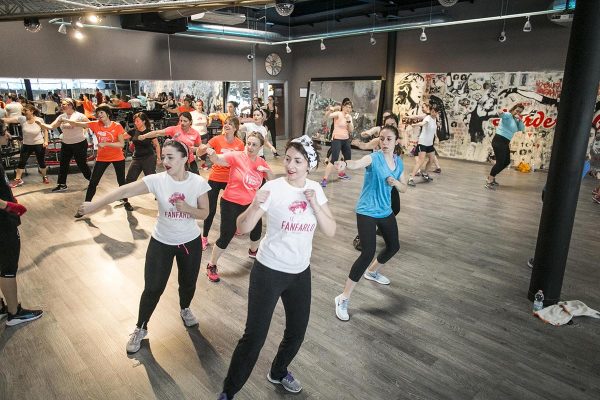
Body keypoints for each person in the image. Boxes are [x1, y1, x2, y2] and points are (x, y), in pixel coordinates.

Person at [217, 135, 335, 400]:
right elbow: (243, 228)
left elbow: (331, 230)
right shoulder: (273, 189)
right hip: (268, 271)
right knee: (254, 337)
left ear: (309, 165)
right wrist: (256, 204)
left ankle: (278, 371)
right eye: (288, 159)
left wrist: (315, 205)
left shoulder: (316, 189)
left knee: (297, 332)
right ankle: (229, 391)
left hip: (300, 273)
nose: (290, 165)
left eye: (298, 161)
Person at [77, 140, 210, 354]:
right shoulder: (157, 180)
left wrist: (187, 208)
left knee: (188, 284)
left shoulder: (197, 182)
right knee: (153, 288)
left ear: (185, 158)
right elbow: (123, 191)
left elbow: (204, 213)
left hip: (189, 243)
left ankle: (185, 308)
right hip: (161, 242)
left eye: (170, 157)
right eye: (163, 157)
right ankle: (141, 327)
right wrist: (95, 205)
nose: (164, 161)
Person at [333, 125, 407, 321]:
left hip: (385, 210)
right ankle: (343, 297)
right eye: (382, 139)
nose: (384, 142)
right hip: (366, 210)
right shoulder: (374, 158)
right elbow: (357, 163)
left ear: (396, 141)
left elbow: (404, 186)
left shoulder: (399, 163)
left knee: (393, 246)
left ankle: (372, 272)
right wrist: (344, 165)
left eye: (389, 139)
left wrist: (396, 183)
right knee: (367, 252)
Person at [203, 132, 274, 283]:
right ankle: (211, 264)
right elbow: (218, 160)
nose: (250, 147)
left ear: (261, 147)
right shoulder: (236, 156)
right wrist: (212, 154)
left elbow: (272, 182)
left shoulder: (261, 162)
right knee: (226, 235)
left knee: (256, 231)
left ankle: (253, 251)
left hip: (250, 204)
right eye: (248, 143)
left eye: (254, 144)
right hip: (230, 202)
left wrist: (267, 172)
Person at [350, 114, 403, 251]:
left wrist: (397, 180)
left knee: (395, 207)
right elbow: (365, 147)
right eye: (388, 123)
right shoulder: (380, 141)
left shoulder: (397, 141)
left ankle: (382, 227)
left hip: (391, 179)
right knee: (372, 211)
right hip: (377, 177)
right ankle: (362, 236)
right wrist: (358, 143)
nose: (390, 125)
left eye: (393, 123)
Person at [0, 163, 43, 326]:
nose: (10, 135)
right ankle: (14, 313)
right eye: (7, 134)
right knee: (8, 267)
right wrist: (7, 205)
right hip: (3, 221)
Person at [63, 105, 126, 215]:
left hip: (117, 157)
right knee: (93, 183)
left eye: (101, 112)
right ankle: (85, 207)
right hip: (102, 158)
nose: (99, 115)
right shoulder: (95, 124)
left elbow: (121, 144)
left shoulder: (117, 126)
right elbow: (78, 124)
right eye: (98, 114)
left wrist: (106, 143)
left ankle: (126, 201)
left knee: (121, 181)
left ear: (108, 113)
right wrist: (66, 120)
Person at [196, 117, 245, 251]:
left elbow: (241, 162)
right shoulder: (216, 140)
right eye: (226, 124)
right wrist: (202, 149)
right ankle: (204, 237)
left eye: (230, 124)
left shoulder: (240, 144)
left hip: (231, 179)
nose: (227, 125)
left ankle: (235, 228)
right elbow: (200, 152)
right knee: (210, 209)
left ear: (235, 128)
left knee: (234, 207)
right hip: (215, 178)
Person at [36, 98, 92, 192]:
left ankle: (92, 181)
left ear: (70, 105)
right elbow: (51, 127)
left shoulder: (79, 116)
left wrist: (83, 130)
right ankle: (62, 184)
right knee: (63, 164)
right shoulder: (61, 116)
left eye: (64, 104)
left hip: (79, 143)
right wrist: (41, 124)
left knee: (81, 164)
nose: (62, 105)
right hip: (66, 144)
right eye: (61, 104)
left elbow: (89, 125)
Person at [2, 104, 50, 187]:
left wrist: (46, 141)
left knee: (41, 162)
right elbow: (9, 120)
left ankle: (44, 177)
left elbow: (45, 131)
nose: (24, 112)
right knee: (22, 162)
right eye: (23, 111)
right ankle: (17, 180)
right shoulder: (22, 119)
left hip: (38, 143)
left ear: (32, 111)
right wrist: (1, 119)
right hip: (26, 144)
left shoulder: (39, 120)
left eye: (26, 111)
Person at [122, 112, 161, 211]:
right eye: (134, 121)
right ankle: (125, 201)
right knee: (130, 179)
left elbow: (157, 145)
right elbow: (120, 137)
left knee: (151, 178)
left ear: (143, 121)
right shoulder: (132, 131)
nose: (135, 122)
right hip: (136, 158)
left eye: (137, 121)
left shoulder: (149, 132)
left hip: (148, 157)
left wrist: (159, 158)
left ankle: (160, 195)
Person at [485, 103, 525, 190]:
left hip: (505, 142)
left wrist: (520, 120)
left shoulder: (516, 120)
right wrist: (500, 112)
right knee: (500, 163)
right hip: (499, 140)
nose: (518, 113)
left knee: (506, 162)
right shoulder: (508, 115)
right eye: (517, 110)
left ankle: (491, 177)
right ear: (513, 109)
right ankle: (489, 181)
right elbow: (502, 115)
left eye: (520, 112)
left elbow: (522, 129)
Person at [321, 100, 354, 187]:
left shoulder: (349, 117)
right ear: (343, 107)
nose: (348, 109)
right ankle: (324, 179)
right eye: (347, 107)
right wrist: (331, 110)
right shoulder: (338, 114)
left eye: (350, 107)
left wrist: (348, 121)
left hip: (345, 139)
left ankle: (341, 174)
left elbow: (351, 130)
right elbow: (327, 116)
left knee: (347, 159)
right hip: (337, 139)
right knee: (334, 159)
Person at [407, 103, 440, 187]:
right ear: (430, 111)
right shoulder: (428, 118)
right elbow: (422, 123)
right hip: (423, 143)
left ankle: (425, 173)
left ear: (437, 112)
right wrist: (415, 124)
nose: (434, 113)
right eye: (432, 111)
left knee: (432, 159)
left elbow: (433, 130)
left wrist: (437, 137)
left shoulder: (435, 119)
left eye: (435, 112)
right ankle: (410, 178)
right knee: (420, 161)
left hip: (429, 143)